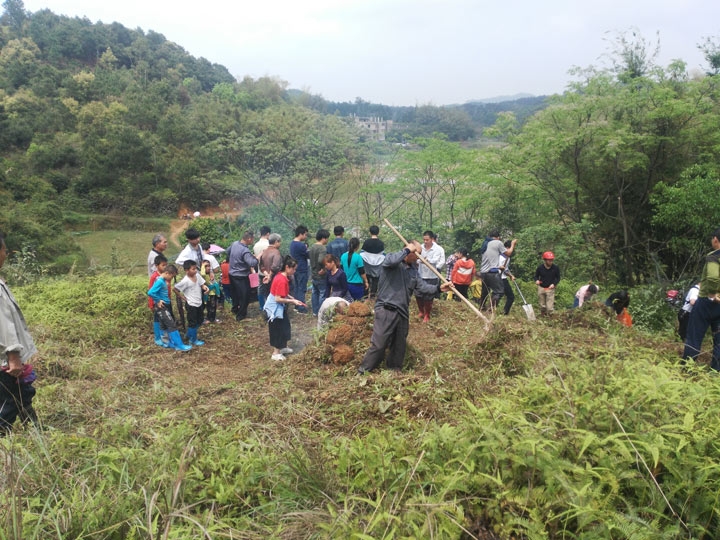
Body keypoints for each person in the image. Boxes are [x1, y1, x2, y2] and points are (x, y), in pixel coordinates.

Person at [358, 241, 453, 374]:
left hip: (402, 312)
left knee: (399, 345)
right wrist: (407, 250)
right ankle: (364, 371)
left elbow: (423, 287)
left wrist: (439, 288)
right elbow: (392, 261)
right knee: (379, 344)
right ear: (408, 250)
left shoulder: (414, 271)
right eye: (417, 253)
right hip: (386, 309)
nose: (419, 257)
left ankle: (394, 370)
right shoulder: (391, 260)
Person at [0, 232, 39, 434]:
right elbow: (3, 324)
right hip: (6, 360)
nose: (6, 254)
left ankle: (36, 431)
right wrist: (13, 356)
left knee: (23, 393)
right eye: (4, 249)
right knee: (9, 401)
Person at [683, 229, 720, 370]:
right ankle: (716, 373)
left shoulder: (714, 256)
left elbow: (712, 277)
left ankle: (687, 370)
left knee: (694, 337)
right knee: (719, 341)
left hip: (707, 302)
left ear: (715, 239)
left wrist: (711, 294)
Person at [263, 256, 305, 361]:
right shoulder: (281, 280)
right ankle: (275, 353)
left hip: (280, 306)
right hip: (274, 308)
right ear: (287, 267)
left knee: (285, 326)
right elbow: (277, 299)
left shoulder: (282, 276)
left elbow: (283, 293)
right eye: (293, 269)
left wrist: (292, 298)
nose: (294, 271)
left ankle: (283, 347)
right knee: (278, 329)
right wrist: (292, 301)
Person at [147, 264, 192, 351]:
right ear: (167, 273)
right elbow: (150, 292)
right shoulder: (160, 281)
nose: (171, 278)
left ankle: (166, 342)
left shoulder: (162, 280)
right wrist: (158, 300)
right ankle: (179, 345)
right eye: (171, 276)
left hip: (165, 305)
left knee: (163, 325)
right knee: (171, 325)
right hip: (162, 307)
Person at [479, 231, 517, 312]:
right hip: (492, 272)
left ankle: (481, 307)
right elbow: (508, 253)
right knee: (499, 292)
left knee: (485, 291)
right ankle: (490, 309)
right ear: (498, 237)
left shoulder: (485, 243)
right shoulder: (498, 242)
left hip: (483, 272)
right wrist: (513, 244)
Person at [174, 260, 209, 346]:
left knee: (200, 320)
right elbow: (175, 289)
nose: (195, 270)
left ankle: (189, 334)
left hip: (199, 302)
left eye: (196, 268)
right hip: (191, 305)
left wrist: (205, 287)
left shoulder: (197, 276)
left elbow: (202, 284)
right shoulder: (185, 281)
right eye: (193, 269)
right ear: (186, 270)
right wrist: (181, 296)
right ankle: (193, 340)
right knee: (192, 322)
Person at [227, 231, 258, 321]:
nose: (253, 240)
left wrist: (235, 260)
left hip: (232, 274)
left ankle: (235, 309)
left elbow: (228, 251)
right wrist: (257, 257)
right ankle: (241, 316)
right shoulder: (245, 250)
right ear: (249, 239)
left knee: (235, 294)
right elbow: (252, 263)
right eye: (253, 239)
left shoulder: (234, 244)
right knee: (245, 296)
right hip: (241, 276)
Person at [416, 230, 445, 322]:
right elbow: (415, 258)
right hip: (421, 275)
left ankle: (427, 314)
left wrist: (429, 261)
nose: (425, 241)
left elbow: (438, 261)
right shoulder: (420, 248)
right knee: (418, 295)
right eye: (424, 239)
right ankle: (421, 311)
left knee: (428, 296)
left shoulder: (438, 249)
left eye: (427, 240)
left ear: (432, 239)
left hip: (432, 275)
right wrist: (420, 261)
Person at [148, 254, 171, 347]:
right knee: (157, 319)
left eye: (166, 265)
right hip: (157, 303)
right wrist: (151, 304)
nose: (165, 267)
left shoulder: (167, 275)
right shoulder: (155, 277)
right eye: (163, 265)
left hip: (166, 302)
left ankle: (166, 336)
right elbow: (151, 291)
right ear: (156, 266)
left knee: (165, 319)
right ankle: (158, 338)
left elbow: (168, 289)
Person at [258, 233, 283, 310]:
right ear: (276, 242)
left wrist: (266, 274)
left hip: (265, 278)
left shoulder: (264, 251)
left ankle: (268, 312)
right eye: (279, 242)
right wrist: (270, 275)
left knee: (267, 295)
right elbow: (275, 266)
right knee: (276, 296)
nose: (280, 244)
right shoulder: (276, 252)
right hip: (274, 278)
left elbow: (261, 265)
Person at [289, 226, 310, 314]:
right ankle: (301, 308)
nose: (305, 236)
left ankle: (297, 305)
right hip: (302, 268)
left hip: (295, 268)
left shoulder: (292, 243)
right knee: (302, 288)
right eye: (305, 234)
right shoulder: (301, 245)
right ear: (301, 234)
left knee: (297, 288)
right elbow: (307, 255)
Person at [309, 229, 330, 316]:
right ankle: (321, 312)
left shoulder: (312, 247)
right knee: (322, 293)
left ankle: (315, 311)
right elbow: (321, 260)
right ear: (323, 238)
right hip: (320, 275)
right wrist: (324, 269)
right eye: (327, 238)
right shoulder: (322, 248)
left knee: (315, 292)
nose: (327, 240)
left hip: (313, 273)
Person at [361, 225, 385, 297]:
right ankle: (373, 296)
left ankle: (365, 295)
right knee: (375, 280)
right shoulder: (381, 243)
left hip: (367, 264)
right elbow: (383, 254)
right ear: (378, 232)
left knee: (367, 279)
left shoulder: (367, 242)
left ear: (370, 232)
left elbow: (362, 252)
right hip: (378, 264)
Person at [534, 251, 560, 316]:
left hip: (550, 288)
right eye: (549, 260)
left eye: (551, 260)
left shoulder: (555, 268)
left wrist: (554, 284)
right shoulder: (540, 268)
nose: (550, 262)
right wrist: (536, 280)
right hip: (541, 287)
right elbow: (536, 276)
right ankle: (543, 315)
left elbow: (558, 278)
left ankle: (550, 316)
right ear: (545, 260)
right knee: (542, 304)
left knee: (549, 306)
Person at [498, 240, 516, 315]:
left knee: (510, 296)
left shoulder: (507, 258)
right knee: (499, 295)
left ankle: (505, 312)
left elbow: (506, 270)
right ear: (507, 248)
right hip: (499, 278)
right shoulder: (500, 257)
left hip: (503, 278)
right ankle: (491, 309)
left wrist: (511, 275)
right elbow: (498, 268)